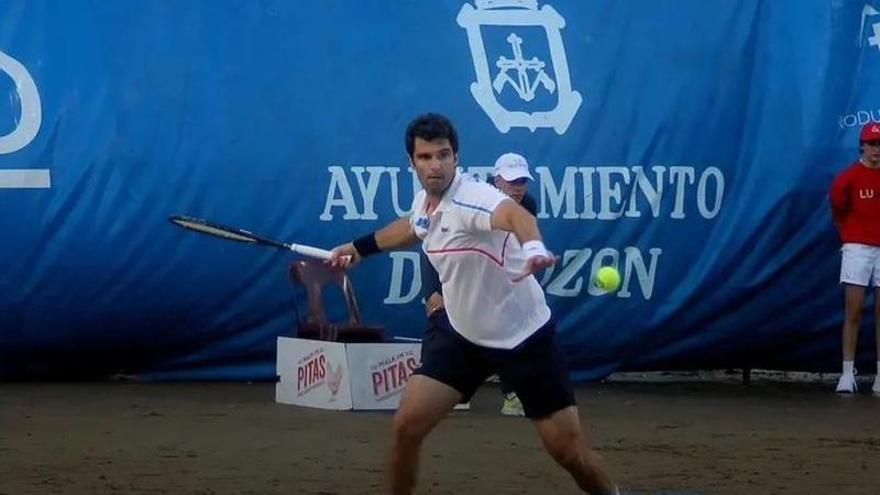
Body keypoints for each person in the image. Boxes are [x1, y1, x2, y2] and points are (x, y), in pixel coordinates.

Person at [329, 113, 619, 494]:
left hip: (524, 340)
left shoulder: (475, 199)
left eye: (444, 155)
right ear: (411, 162)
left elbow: (515, 215)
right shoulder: (425, 203)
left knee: (569, 452)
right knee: (406, 427)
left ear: (457, 156)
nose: (436, 165)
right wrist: (359, 249)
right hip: (463, 337)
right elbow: (411, 228)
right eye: (426, 157)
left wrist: (533, 247)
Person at [421, 152, 538, 417]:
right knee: (441, 320)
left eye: (522, 181)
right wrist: (436, 292)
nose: (517, 187)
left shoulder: (526, 204)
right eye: (511, 181)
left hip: (493, 275)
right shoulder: (473, 199)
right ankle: (440, 388)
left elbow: (515, 246)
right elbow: (430, 247)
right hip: (453, 267)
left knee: (512, 326)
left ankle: (513, 394)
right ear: (496, 180)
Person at [828, 122, 880, 395]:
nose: (877, 150)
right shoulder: (848, 178)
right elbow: (838, 207)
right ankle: (847, 374)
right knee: (854, 311)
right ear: (863, 145)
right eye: (873, 144)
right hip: (858, 248)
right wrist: (850, 235)